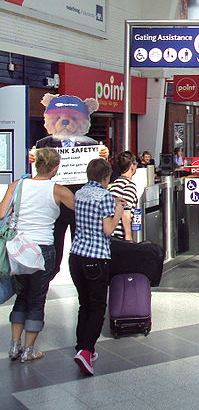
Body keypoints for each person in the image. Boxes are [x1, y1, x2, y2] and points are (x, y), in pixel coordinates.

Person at [0, 148, 74, 363]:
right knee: (37, 299)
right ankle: (29, 350)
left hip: (18, 249)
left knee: (21, 295)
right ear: (55, 167)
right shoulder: (59, 190)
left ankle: (14, 345)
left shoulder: (17, 185)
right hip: (42, 250)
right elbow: (82, 208)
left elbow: (2, 213)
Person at [70, 158, 125, 375]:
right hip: (96, 258)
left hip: (76, 256)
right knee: (97, 306)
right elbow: (108, 229)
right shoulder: (105, 197)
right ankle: (86, 350)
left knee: (84, 304)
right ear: (106, 177)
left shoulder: (80, 193)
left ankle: (81, 347)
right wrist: (119, 210)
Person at [108, 151, 138, 241]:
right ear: (132, 166)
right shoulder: (129, 185)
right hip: (119, 235)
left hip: (110, 233)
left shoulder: (114, 184)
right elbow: (125, 212)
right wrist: (128, 236)